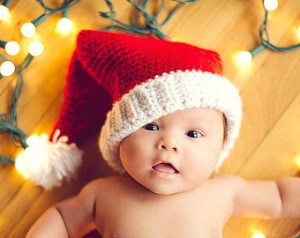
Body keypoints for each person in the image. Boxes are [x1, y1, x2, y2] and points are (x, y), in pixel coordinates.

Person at [25, 30, 300, 238]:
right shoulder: (103, 193)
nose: (169, 143)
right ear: (120, 139)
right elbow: (62, 218)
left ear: (219, 148)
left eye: (193, 134)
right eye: (151, 126)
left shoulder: (224, 191)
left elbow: (279, 197)